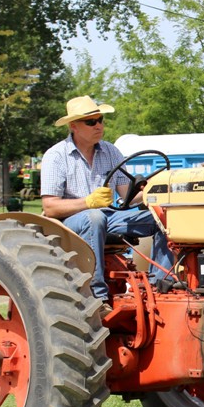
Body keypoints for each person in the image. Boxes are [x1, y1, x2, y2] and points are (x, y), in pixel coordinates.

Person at [40, 96, 173, 309]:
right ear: (73, 126)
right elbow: (50, 207)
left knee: (164, 217)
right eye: (91, 122)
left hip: (109, 215)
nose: (99, 125)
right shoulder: (56, 156)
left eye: (100, 119)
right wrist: (88, 202)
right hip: (68, 223)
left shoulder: (110, 151)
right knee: (94, 216)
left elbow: (127, 196)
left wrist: (155, 189)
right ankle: (97, 296)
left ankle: (162, 285)